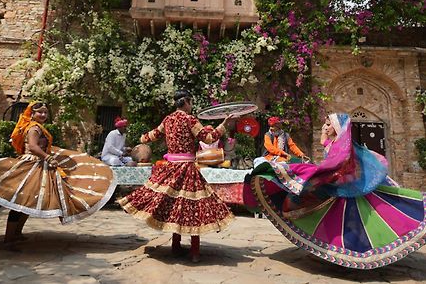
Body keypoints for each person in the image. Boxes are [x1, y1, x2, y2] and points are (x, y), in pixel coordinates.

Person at [244, 113, 426, 269]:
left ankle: (352, 252)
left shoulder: (343, 146)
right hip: (337, 188)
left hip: (346, 190)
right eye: (325, 123)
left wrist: (311, 167)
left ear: (339, 128)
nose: (325, 126)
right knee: (337, 223)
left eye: (329, 124)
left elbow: (337, 165)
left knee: (352, 225)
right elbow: (323, 150)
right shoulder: (333, 143)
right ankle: (336, 250)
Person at [0, 102, 116, 250]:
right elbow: (33, 147)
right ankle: (9, 239)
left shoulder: (36, 127)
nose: (43, 115)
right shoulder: (33, 128)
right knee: (20, 202)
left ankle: (16, 234)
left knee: (26, 203)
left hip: (38, 165)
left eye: (45, 113)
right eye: (40, 113)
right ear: (32, 114)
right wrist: (48, 158)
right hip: (31, 165)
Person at [119, 90, 235, 262]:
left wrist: (142, 137)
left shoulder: (167, 120)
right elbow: (209, 139)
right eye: (191, 102)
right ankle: (194, 252)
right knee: (193, 207)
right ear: (186, 102)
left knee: (175, 206)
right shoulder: (190, 120)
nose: (192, 105)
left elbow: (149, 136)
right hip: (187, 169)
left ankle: (176, 246)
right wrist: (225, 123)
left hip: (171, 169)